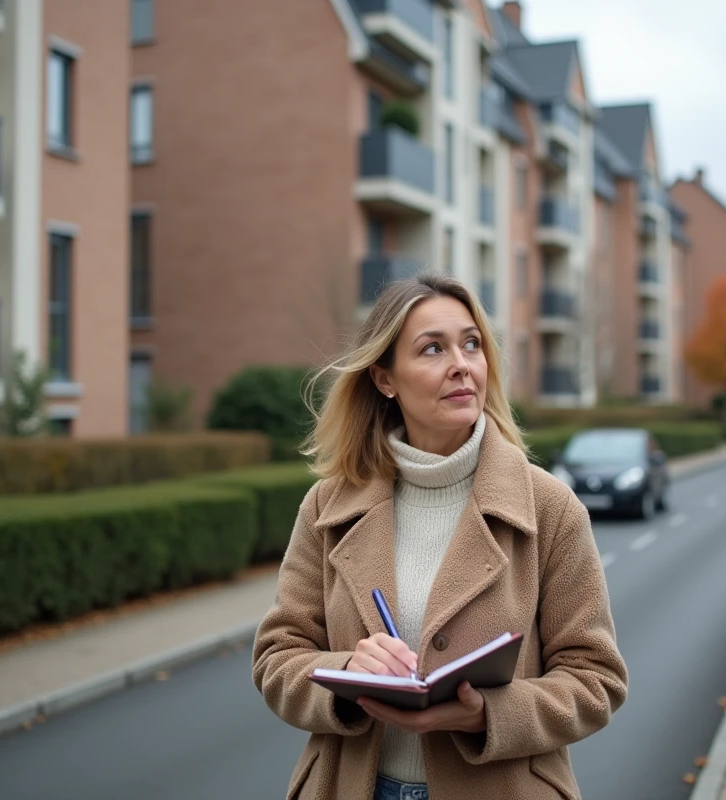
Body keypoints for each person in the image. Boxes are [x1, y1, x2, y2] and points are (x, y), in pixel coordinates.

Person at [253, 274, 628, 800]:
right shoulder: (328, 505)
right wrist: (345, 673)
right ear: (386, 379)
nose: (462, 364)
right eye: (433, 348)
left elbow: (596, 680)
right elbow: (277, 656)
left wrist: (486, 716)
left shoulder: (550, 508)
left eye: (471, 344)